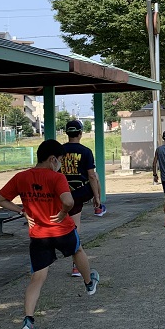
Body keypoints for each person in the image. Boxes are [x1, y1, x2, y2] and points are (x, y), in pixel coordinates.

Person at [0, 139, 100, 329]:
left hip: (38, 234)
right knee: (77, 251)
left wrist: (22, 211)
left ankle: (28, 320)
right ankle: (88, 282)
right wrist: (63, 212)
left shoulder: (21, 177)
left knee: (37, 278)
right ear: (52, 159)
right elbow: (68, 201)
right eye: (59, 159)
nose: (59, 164)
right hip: (62, 230)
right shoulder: (56, 177)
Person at [61, 119, 102, 277]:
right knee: (75, 227)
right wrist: (96, 197)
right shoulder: (85, 151)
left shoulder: (60, 150)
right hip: (79, 193)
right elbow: (91, 176)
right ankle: (76, 265)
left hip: (62, 193)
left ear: (67, 133)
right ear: (80, 133)